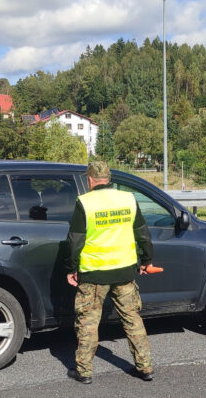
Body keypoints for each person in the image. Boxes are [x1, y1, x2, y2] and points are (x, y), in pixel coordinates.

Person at [64, 161, 155, 384]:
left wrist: (70, 268)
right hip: (124, 271)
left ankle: (84, 372)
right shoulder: (128, 199)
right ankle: (145, 368)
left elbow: (75, 240)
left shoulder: (85, 203)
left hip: (94, 274)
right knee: (132, 319)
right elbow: (143, 234)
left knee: (88, 322)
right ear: (109, 178)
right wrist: (146, 259)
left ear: (90, 179)